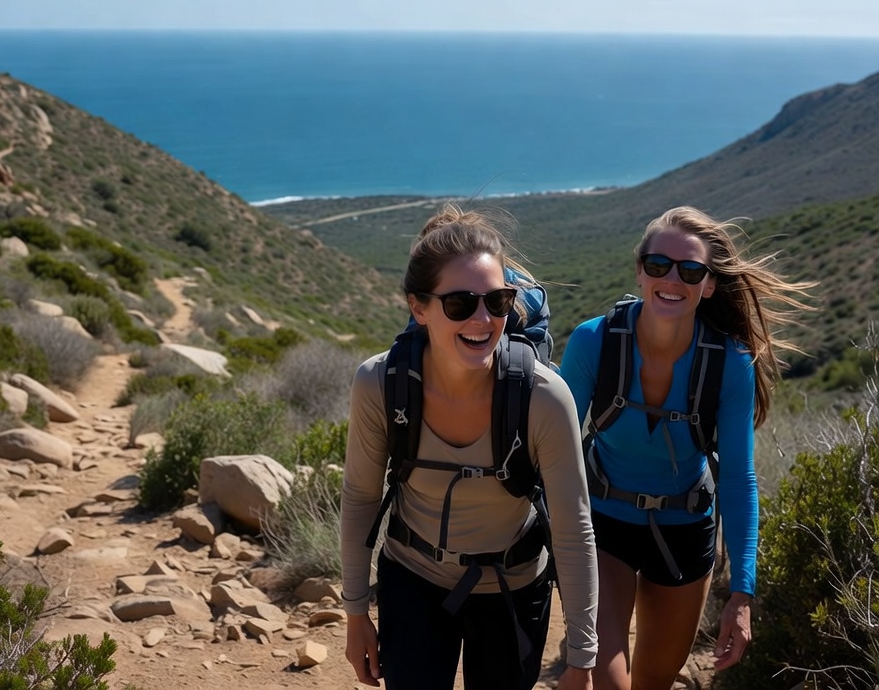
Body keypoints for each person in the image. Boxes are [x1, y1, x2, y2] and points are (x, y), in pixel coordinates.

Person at [341, 205, 598, 690]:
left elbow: (573, 529)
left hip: (513, 585)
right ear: (419, 308)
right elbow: (360, 497)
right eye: (460, 304)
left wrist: (582, 657)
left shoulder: (543, 396)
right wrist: (356, 614)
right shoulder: (381, 383)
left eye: (497, 301)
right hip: (412, 577)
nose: (483, 319)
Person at [558, 206, 814, 690]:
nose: (672, 279)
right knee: (606, 678)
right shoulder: (595, 342)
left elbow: (738, 480)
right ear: (640, 271)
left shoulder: (730, 363)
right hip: (603, 522)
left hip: (685, 529)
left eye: (691, 270)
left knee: (653, 681)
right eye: (658, 265)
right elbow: (554, 451)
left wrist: (742, 593)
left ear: (709, 285)